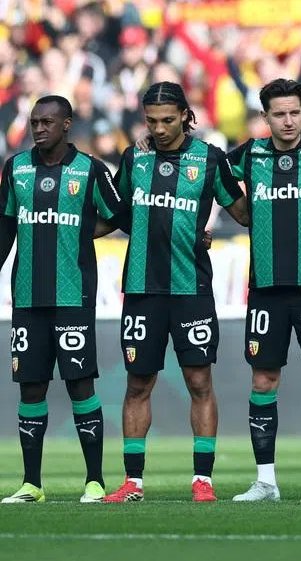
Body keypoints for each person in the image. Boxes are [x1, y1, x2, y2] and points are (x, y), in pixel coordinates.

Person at [103, 82, 249, 503]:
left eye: (168, 120)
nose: (160, 129)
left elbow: (241, 213)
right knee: (138, 383)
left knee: (199, 381)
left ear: (186, 115)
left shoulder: (210, 159)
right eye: (152, 121)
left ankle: (202, 480)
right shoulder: (134, 158)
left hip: (191, 288)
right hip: (142, 288)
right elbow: (118, 214)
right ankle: (133, 482)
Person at [226, 79, 301, 502]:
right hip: (267, 289)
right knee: (263, 380)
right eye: (279, 114)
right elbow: (210, 172)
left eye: (295, 112)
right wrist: (242, 214)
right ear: (265, 117)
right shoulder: (248, 155)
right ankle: (266, 482)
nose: (288, 121)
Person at [0, 95, 125, 504]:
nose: (39, 128)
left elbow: (120, 215)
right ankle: (31, 484)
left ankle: (95, 481)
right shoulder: (16, 168)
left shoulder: (90, 169)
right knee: (31, 387)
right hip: (27, 298)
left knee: (80, 383)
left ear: (67, 124)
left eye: (47, 122)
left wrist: (83, 231)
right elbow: (5, 228)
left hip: (73, 296)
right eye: (35, 122)